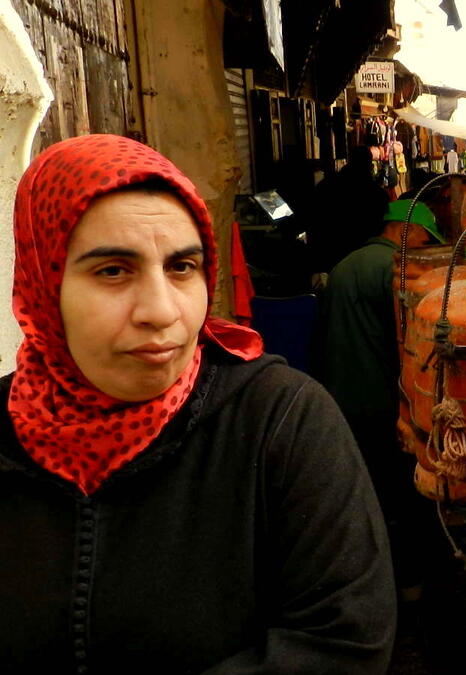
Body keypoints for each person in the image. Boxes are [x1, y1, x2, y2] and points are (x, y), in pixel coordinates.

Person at [0, 135, 395, 673]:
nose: (162, 312)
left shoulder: (279, 421)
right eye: (112, 270)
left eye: (182, 267)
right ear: (43, 283)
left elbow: (345, 641)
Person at [310, 199, 444, 621]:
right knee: (405, 496)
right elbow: (409, 343)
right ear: (407, 232)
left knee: (364, 495)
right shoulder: (393, 271)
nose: (425, 248)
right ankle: (410, 588)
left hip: (340, 399)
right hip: (382, 403)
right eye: (426, 239)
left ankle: (364, 584)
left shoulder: (347, 263)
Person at [308, 145, 389, 273]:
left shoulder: (326, 186)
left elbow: (313, 219)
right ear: (370, 165)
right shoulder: (377, 194)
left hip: (329, 257)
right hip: (363, 261)